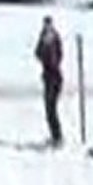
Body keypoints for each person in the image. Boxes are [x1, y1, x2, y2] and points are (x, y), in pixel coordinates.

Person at [34, 15, 64, 146]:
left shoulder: (53, 38)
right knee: (49, 109)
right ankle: (56, 136)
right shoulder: (45, 37)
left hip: (53, 77)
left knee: (51, 108)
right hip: (49, 76)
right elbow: (38, 53)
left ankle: (57, 137)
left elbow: (56, 58)